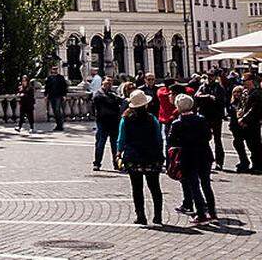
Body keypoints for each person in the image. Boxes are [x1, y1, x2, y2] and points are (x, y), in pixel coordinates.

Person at [116, 89, 164, 226]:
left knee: (137, 188)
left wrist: (119, 152)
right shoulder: (151, 118)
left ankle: (141, 216)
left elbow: (121, 138)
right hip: (151, 155)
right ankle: (158, 216)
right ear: (145, 104)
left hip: (133, 156)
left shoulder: (126, 119)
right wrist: (159, 152)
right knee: (155, 187)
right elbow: (158, 138)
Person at [167, 94, 216, 223]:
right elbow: (208, 136)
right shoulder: (201, 119)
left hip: (187, 156)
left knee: (194, 186)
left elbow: (171, 140)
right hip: (204, 154)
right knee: (206, 184)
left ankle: (201, 213)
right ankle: (212, 212)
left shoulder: (177, 123)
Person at [194, 73, 228, 170]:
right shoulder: (203, 86)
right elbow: (196, 96)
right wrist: (208, 96)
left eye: (211, 76)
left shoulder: (219, 87)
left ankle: (219, 162)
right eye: (208, 77)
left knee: (217, 140)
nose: (209, 78)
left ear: (215, 77)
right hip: (204, 116)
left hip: (216, 116)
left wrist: (206, 98)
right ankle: (207, 160)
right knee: (204, 139)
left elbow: (219, 100)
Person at [92, 77, 121, 170]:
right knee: (100, 144)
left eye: (111, 82)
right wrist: (114, 101)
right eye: (107, 81)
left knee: (115, 145)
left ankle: (116, 164)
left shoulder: (112, 94)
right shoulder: (98, 94)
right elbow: (101, 102)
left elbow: (120, 101)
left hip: (114, 122)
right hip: (103, 122)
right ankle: (97, 163)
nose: (109, 83)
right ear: (103, 82)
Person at [237, 72, 262, 173]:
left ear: (251, 81)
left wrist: (244, 119)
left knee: (255, 144)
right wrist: (239, 113)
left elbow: (254, 108)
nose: (242, 82)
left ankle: (258, 166)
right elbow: (242, 106)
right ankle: (252, 164)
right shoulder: (246, 92)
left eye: (244, 80)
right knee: (248, 144)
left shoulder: (257, 92)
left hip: (253, 122)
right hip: (245, 122)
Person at [227, 85, 251, 172]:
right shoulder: (232, 103)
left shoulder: (244, 102)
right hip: (234, 126)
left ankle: (249, 162)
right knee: (237, 144)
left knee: (249, 144)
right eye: (235, 92)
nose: (236, 94)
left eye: (239, 92)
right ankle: (244, 161)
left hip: (243, 126)